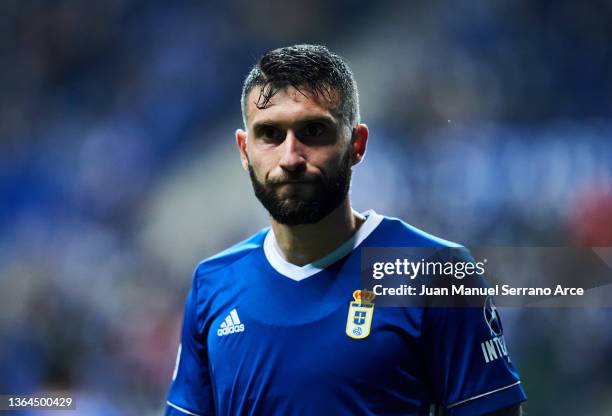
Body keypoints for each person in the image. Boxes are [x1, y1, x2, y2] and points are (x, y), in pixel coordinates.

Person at [164, 44, 526, 416]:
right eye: (270, 134)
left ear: (356, 143)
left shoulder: (435, 272)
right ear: (244, 150)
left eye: (313, 131)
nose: (290, 158)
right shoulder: (213, 283)